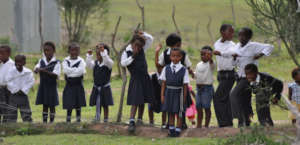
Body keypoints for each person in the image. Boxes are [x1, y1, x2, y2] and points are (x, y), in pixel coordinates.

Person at [230, 27, 274, 127]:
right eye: (240, 35)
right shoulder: (237, 46)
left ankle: (261, 120)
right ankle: (245, 121)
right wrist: (234, 58)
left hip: (249, 77)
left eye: (244, 35)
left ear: (249, 37)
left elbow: (270, 46)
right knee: (244, 99)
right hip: (240, 76)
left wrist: (260, 55)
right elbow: (234, 63)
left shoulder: (253, 46)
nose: (241, 37)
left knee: (234, 94)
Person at [155, 33, 193, 129]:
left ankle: (182, 123)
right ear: (175, 44)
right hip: (169, 85)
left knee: (181, 104)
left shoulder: (182, 54)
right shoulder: (165, 54)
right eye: (179, 44)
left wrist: (190, 72)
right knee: (170, 105)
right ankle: (170, 124)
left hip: (180, 85)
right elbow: (159, 65)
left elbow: (188, 66)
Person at [121, 31, 154, 133]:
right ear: (132, 43)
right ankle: (132, 121)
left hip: (144, 77)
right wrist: (133, 56)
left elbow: (150, 39)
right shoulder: (126, 52)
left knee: (142, 99)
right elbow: (123, 63)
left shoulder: (142, 48)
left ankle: (139, 119)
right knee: (136, 100)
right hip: (136, 78)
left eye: (140, 46)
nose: (139, 48)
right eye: (137, 46)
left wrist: (142, 33)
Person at [160, 48, 189, 137]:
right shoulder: (166, 68)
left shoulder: (184, 70)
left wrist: (184, 97)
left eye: (177, 56)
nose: (175, 58)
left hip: (179, 92)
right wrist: (162, 95)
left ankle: (178, 130)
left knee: (179, 112)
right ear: (170, 57)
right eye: (173, 56)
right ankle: (171, 130)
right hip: (169, 92)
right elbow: (163, 83)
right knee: (170, 111)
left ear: (181, 57)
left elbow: (185, 85)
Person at [213, 24, 236, 127]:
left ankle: (223, 123)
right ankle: (228, 122)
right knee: (225, 98)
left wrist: (220, 53)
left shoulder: (232, 45)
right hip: (221, 74)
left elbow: (230, 53)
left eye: (232, 32)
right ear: (222, 32)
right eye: (230, 32)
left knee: (217, 98)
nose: (232, 34)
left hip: (229, 74)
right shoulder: (216, 43)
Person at [86, 43, 114, 122]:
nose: (98, 56)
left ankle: (105, 119)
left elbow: (106, 60)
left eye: (100, 54)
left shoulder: (109, 63)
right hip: (97, 86)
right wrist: (89, 56)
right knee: (97, 103)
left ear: (105, 54)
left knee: (105, 104)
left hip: (105, 87)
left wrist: (103, 53)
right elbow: (88, 65)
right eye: (97, 54)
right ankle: (97, 117)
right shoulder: (95, 63)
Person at [35, 41, 61, 123]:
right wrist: (36, 70)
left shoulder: (56, 62)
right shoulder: (41, 61)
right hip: (43, 86)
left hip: (51, 86)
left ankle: (51, 122)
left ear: (53, 51)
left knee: (52, 105)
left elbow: (56, 75)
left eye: (48, 50)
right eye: (45, 50)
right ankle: (44, 122)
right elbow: (36, 69)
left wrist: (44, 71)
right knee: (45, 105)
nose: (46, 52)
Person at [62, 42, 86, 123]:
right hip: (69, 85)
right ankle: (68, 119)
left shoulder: (81, 61)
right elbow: (65, 70)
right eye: (72, 50)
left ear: (79, 52)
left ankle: (78, 119)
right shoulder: (65, 60)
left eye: (76, 50)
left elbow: (81, 71)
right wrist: (75, 71)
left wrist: (70, 72)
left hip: (78, 85)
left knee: (78, 102)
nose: (74, 52)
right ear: (69, 51)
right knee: (69, 102)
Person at [6, 55, 34, 123]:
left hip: (23, 95)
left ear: (24, 63)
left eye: (20, 62)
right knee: (11, 113)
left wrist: (23, 90)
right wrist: (16, 90)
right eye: (16, 62)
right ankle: (11, 128)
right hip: (13, 95)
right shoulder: (11, 71)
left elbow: (30, 82)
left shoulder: (28, 72)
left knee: (26, 113)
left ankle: (28, 127)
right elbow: (8, 81)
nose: (18, 64)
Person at [195, 46, 215, 128]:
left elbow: (212, 64)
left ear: (210, 55)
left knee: (206, 107)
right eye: (202, 54)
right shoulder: (198, 64)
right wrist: (192, 73)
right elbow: (196, 75)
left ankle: (206, 125)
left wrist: (210, 58)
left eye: (206, 55)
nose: (203, 56)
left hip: (207, 88)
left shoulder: (211, 64)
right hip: (198, 88)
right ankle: (199, 125)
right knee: (198, 107)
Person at [0, 45, 14, 123]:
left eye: (2, 53)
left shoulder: (12, 64)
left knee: (6, 109)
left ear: (8, 54)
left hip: (7, 90)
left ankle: (5, 126)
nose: (0, 55)